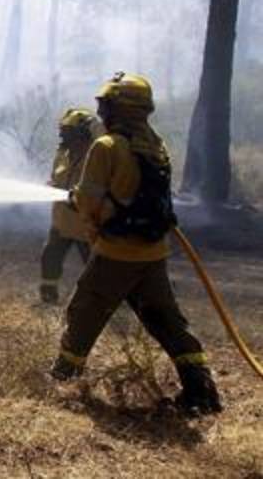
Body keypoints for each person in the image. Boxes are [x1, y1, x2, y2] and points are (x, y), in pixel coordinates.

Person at [50, 72, 222, 415]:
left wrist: (76, 199)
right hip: (152, 253)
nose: (102, 112)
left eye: (106, 105)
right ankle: (202, 392)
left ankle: (62, 379)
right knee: (168, 322)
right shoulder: (156, 145)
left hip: (116, 253)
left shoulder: (107, 146)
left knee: (84, 312)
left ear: (118, 109)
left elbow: (89, 202)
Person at [39, 108, 97, 305]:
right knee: (49, 258)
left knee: (95, 268)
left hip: (86, 224)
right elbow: (56, 178)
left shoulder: (97, 155)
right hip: (62, 220)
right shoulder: (62, 153)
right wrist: (50, 186)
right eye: (63, 131)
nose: (63, 136)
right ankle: (48, 297)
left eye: (68, 132)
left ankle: (97, 303)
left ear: (83, 134)